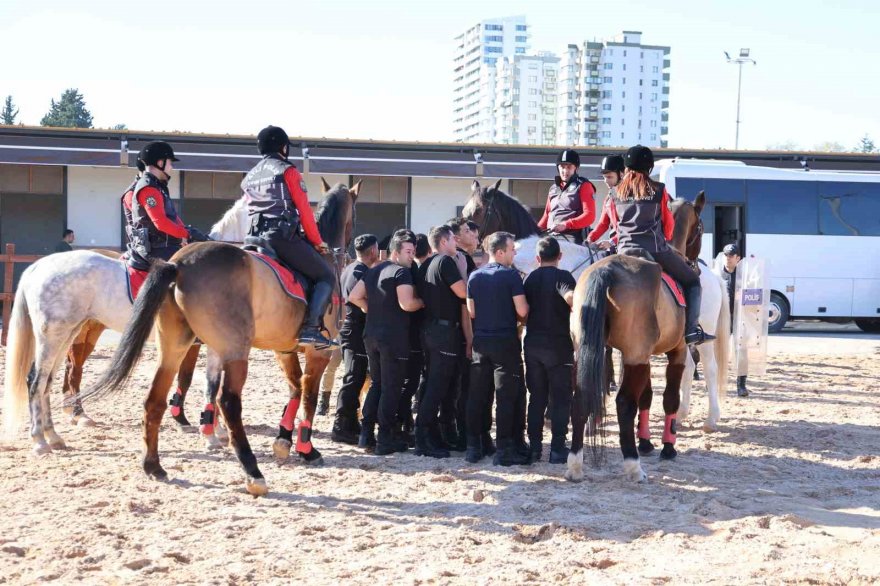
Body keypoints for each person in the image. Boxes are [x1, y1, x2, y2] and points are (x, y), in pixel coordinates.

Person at [611, 145, 715, 346]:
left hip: (623, 250)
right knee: (693, 281)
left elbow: (616, 225)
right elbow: (668, 228)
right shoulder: (659, 191)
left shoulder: (615, 193)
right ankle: (692, 331)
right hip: (654, 250)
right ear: (649, 168)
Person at [243, 125, 336, 348]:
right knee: (326, 276)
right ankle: (311, 328)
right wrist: (317, 242)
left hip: (253, 236)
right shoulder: (288, 171)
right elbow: (304, 211)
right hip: (281, 237)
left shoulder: (249, 177)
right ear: (283, 147)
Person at [348, 231, 424, 455]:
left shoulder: (374, 269)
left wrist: (374, 309)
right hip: (393, 338)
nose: (412, 256)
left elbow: (354, 296)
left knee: (377, 384)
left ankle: (366, 434)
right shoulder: (401, 272)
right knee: (391, 387)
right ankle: (384, 438)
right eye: (408, 252)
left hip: (371, 334)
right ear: (396, 251)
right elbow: (407, 304)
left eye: (413, 252)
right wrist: (422, 302)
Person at [465, 231, 531, 466]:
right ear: (500, 252)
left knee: (479, 395)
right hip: (505, 340)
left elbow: (471, 311)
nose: (514, 253)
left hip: (481, 340)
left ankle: (474, 446)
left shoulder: (474, 276)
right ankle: (504, 448)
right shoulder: (511, 276)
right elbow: (522, 311)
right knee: (506, 396)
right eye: (512, 249)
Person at [415, 225, 467, 458]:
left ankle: (429, 434)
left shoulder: (426, 263)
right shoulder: (446, 262)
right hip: (444, 332)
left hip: (429, 329)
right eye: (453, 240)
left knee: (431, 383)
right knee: (437, 386)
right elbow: (463, 292)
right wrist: (464, 270)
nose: (456, 244)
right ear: (444, 242)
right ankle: (423, 438)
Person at [523, 237, 576, 464]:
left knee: (536, 397)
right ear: (560, 256)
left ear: (537, 258)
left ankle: (534, 447)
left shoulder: (530, 279)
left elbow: (523, 312)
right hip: (559, 346)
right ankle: (557, 448)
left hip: (533, 344)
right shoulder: (565, 278)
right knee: (561, 398)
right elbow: (574, 303)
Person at [331, 234, 380, 444]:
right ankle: (341, 424)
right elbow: (360, 300)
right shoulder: (362, 272)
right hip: (355, 329)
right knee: (353, 377)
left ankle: (350, 421)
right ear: (372, 252)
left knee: (356, 376)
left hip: (348, 327)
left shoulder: (349, 268)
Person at [126, 141, 194, 267]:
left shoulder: (158, 186)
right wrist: (187, 234)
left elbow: (173, 217)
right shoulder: (149, 188)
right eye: (170, 163)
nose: (171, 167)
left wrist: (186, 232)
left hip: (164, 246)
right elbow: (161, 223)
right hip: (156, 250)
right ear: (160, 163)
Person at [537, 149, 596, 244]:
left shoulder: (584, 185)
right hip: (550, 237)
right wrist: (534, 231)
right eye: (562, 167)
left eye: (569, 167)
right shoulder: (553, 188)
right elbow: (546, 216)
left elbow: (589, 216)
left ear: (576, 168)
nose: (565, 171)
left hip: (571, 238)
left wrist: (566, 225)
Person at [721, 243, 750, 396]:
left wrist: (743, 296)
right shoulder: (718, 274)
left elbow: (755, 297)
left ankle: (741, 386)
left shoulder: (745, 276)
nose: (728, 258)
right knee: (717, 350)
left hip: (740, 318)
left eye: (731, 256)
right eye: (726, 255)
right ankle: (717, 383)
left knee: (741, 352)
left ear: (738, 258)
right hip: (723, 318)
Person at [587, 154, 625, 250]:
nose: (605, 181)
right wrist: (590, 238)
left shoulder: (631, 198)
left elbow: (631, 228)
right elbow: (603, 224)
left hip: (630, 246)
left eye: (609, 177)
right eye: (604, 177)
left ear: (621, 174)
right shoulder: (608, 198)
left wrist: (612, 242)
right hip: (616, 246)